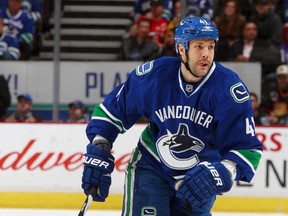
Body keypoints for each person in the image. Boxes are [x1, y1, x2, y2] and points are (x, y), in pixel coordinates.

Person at [81, 17, 263, 215]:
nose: (206, 54)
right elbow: (111, 112)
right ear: (181, 49)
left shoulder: (228, 89)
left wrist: (224, 171)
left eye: (210, 47)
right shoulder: (154, 76)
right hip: (152, 165)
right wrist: (100, 144)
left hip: (199, 180)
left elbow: (247, 149)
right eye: (198, 46)